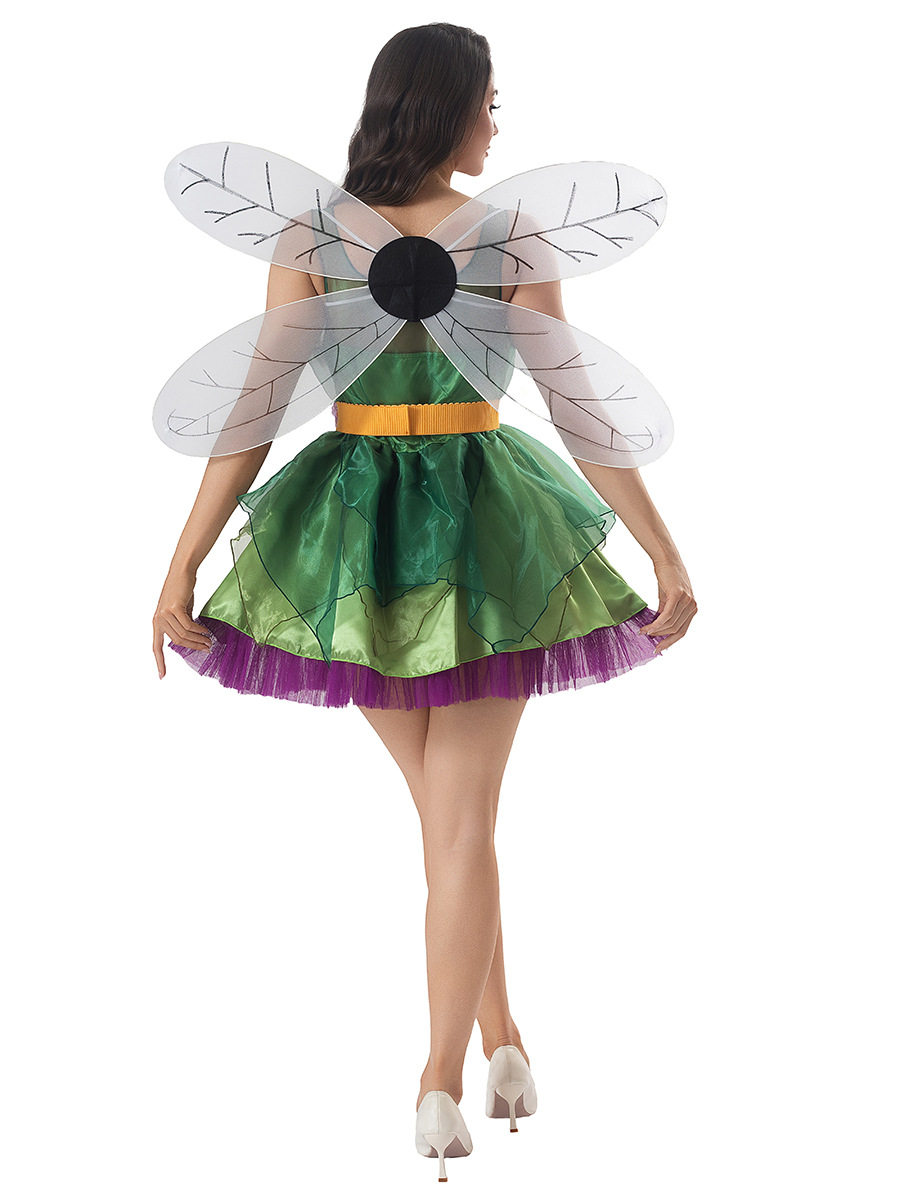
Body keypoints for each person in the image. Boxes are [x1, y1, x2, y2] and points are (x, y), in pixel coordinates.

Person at [152, 22, 697, 1180]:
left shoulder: (313, 233)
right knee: (460, 825)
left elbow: (254, 409)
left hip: (354, 539)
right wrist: (664, 550)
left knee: (452, 825)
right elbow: (577, 404)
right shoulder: (506, 234)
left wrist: (184, 560)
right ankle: (457, 1072)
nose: (498, 122)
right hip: (484, 529)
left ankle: (478, 1058)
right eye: (490, 102)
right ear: (447, 106)